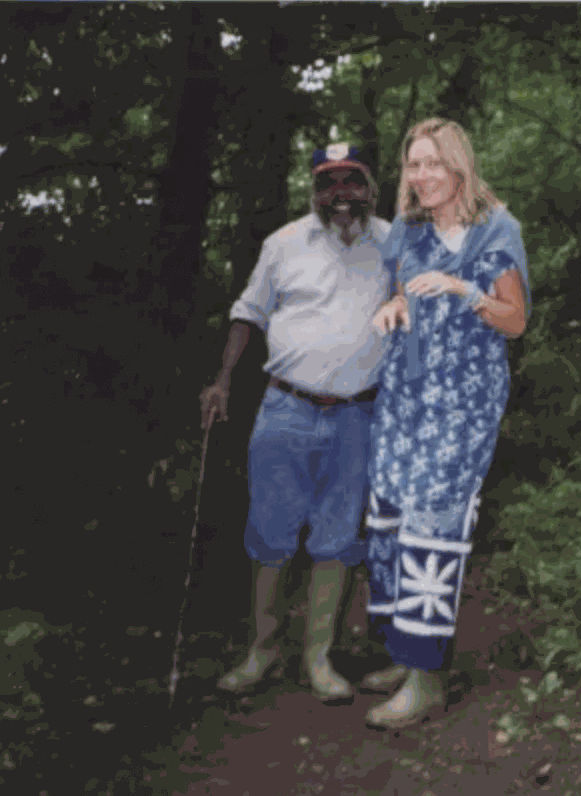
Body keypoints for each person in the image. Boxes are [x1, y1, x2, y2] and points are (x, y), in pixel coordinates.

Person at [198, 142, 392, 704]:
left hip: (359, 414)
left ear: (370, 186)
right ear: (314, 191)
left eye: (351, 181)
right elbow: (247, 312)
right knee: (270, 533)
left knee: (338, 539)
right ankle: (261, 650)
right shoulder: (282, 244)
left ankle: (319, 658)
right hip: (284, 409)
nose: (341, 195)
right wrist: (222, 381)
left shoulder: (394, 243)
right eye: (328, 184)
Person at [360, 118, 529, 729]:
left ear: (459, 166)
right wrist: (395, 305)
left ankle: (426, 678)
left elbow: (515, 321)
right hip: (404, 397)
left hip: (461, 406)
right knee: (390, 522)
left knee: (434, 522)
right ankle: (402, 654)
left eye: (433, 162)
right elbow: (402, 294)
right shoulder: (407, 232)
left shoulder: (496, 230)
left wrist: (465, 289)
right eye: (413, 164)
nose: (421, 175)